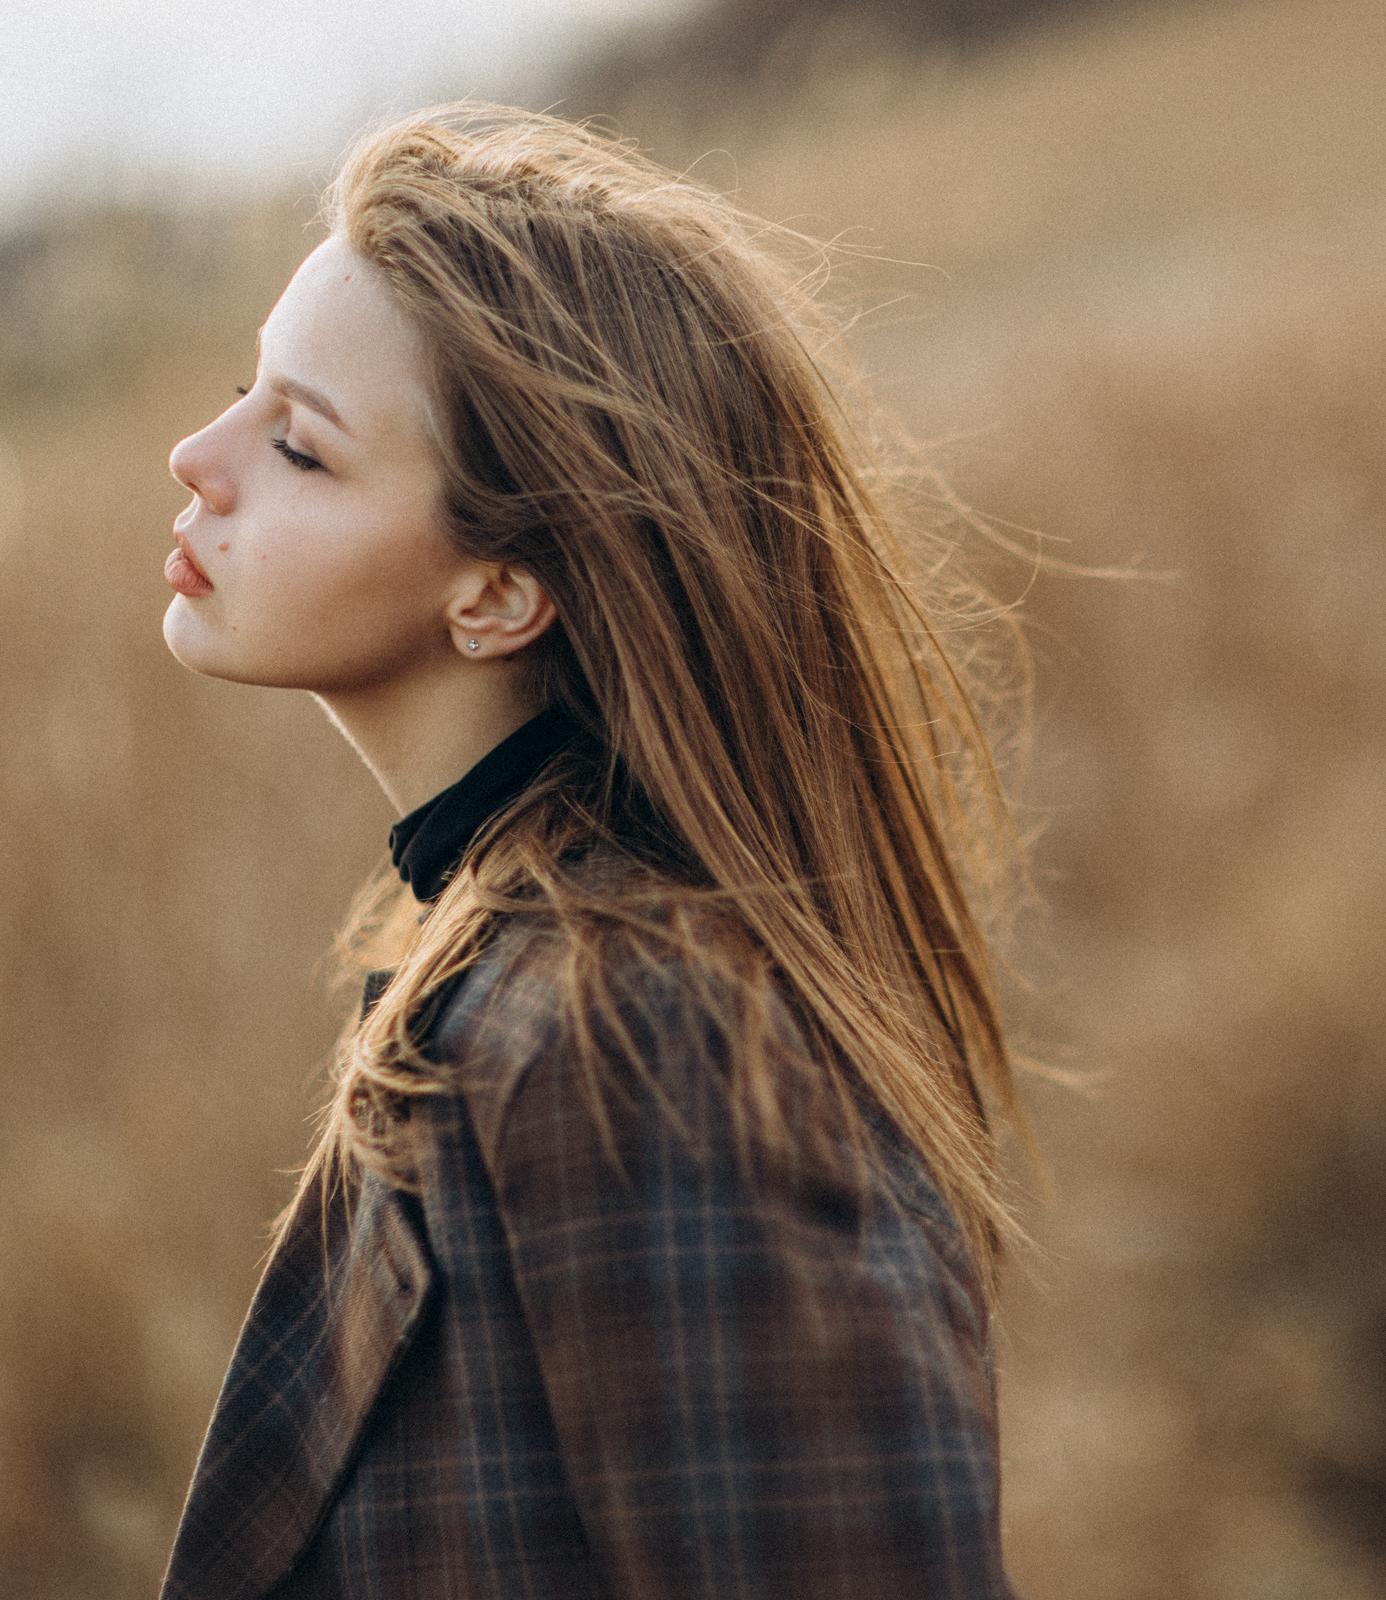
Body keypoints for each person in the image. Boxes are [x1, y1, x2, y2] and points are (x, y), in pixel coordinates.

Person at [155, 103, 1027, 1599]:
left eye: (299, 445)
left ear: (498, 593)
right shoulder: (510, 972)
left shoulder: (642, 1032)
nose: (197, 456)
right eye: (248, 393)